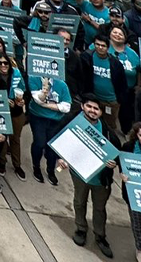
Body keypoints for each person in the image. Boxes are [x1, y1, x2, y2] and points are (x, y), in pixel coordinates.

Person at [56, 94, 119, 258]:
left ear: (100, 112)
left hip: (100, 178)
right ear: (83, 106)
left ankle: (100, 236)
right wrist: (61, 157)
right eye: (89, 107)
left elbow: (116, 153)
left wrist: (114, 163)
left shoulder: (108, 132)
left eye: (96, 108)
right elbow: (59, 139)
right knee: (79, 201)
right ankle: (81, 229)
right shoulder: (72, 123)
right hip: (79, 174)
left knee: (99, 208)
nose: (93, 111)